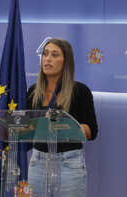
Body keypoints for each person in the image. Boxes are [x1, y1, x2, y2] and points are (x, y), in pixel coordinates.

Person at [27, 38, 98, 197]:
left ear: (66, 61)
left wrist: (64, 126)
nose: (48, 59)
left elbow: (91, 131)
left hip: (69, 164)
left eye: (54, 55)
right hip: (37, 162)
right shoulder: (33, 91)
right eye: (45, 54)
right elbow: (26, 127)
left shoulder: (80, 91)